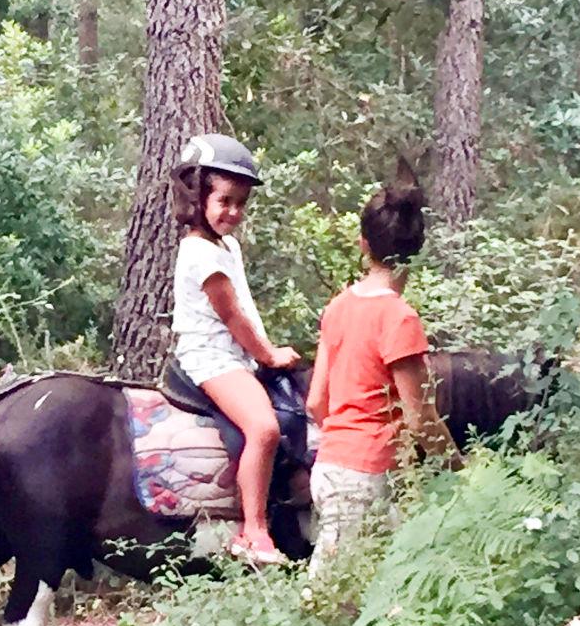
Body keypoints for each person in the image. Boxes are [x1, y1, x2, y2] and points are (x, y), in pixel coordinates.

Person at [305, 167, 460, 573]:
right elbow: (420, 416)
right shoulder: (399, 318)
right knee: (328, 599)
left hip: (328, 468)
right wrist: (459, 473)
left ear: (363, 244)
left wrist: (341, 444)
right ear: (416, 251)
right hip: (369, 473)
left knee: (379, 586)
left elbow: (316, 400)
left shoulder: (338, 307)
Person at [170, 133, 301, 566]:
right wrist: (268, 355)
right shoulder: (198, 253)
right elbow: (232, 317)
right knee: (264, 429)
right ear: (198, 196)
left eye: (241, 203)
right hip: (212, 359)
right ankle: (254, 531)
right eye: (224, 200)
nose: (233, 212)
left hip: (234, 356)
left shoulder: (227, 246)